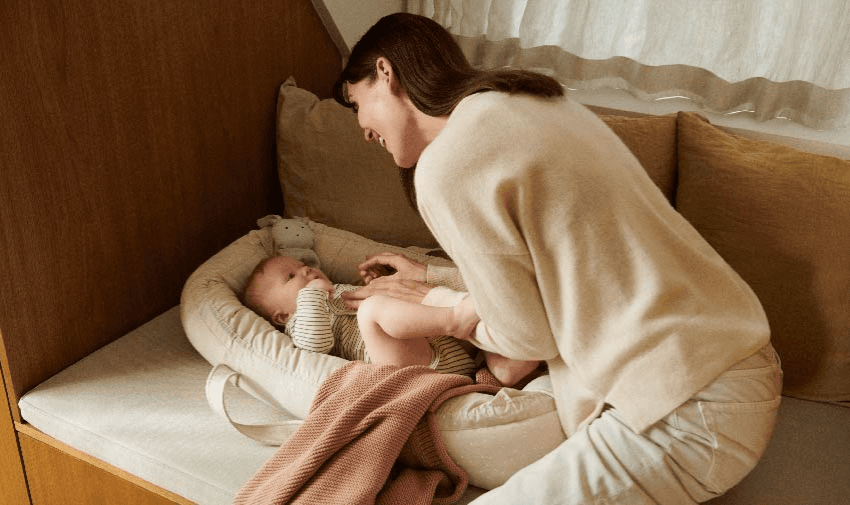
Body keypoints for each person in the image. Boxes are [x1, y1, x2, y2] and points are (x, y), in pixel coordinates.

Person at [332, 12, 782, 504]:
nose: (360, 127)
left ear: (385, 72)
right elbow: (562, 265)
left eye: (356, 103)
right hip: (736, 364)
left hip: (687, 405)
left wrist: (446, 308)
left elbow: (524, 340)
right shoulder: (532, 101)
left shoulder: (446, 163)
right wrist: (431, 274)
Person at [243, 255, 535, 380]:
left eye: (304, 265)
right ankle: (458, 316)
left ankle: (509, 364)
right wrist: (312, 294)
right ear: (281, 315)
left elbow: (399, 310)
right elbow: (314, 344)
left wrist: (375, 285)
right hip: (409, 369)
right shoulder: (299, 321)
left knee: (385, 302)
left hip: (447, 348)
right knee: (372, 311)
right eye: (291, 276)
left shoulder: (338, 290)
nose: (306, 271)